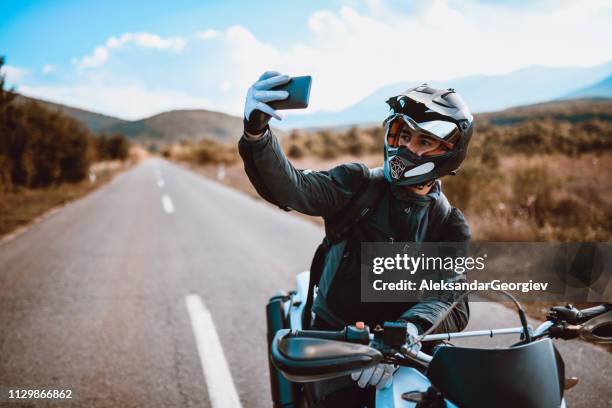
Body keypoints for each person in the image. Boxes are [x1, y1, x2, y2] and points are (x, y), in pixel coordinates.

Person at [239, 71, 473, 407]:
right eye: (403, 135)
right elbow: (293, 188)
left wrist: (404, 333)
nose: (407, 147)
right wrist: (257, 133)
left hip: (406, 347)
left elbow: (449, 289)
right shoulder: (357, 184)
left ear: (449, 152)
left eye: (423, 141)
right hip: (336, 337)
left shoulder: (449, 222)